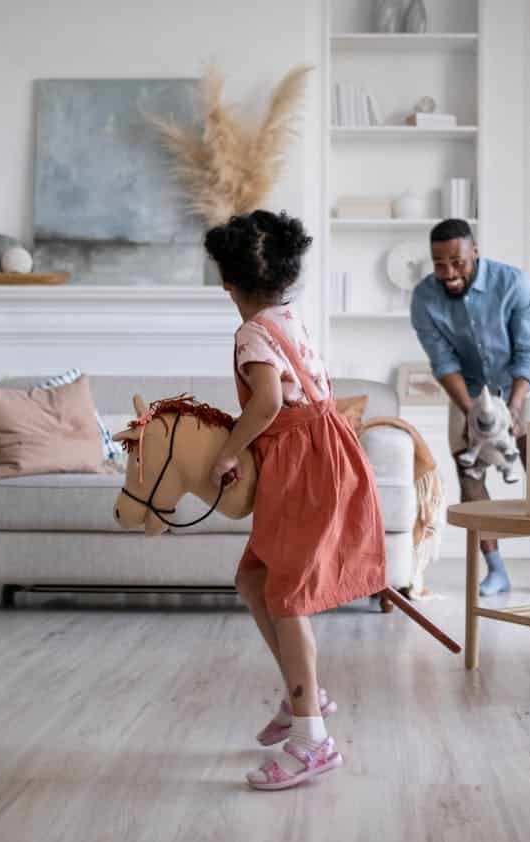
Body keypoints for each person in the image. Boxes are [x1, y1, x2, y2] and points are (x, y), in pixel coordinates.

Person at [206, 209, 386, 791]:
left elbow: (263, 406)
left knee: (285, 598)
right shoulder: (288, 318)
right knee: (255, 579)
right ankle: (300, 692)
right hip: (319, 456)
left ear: (227, 285)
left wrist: (231, 452)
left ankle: (312, 740)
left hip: (306, 469)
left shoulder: (252, 331)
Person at [409, 218, 530, 598]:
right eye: (439, 264)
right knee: (470, 478)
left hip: (521, 388)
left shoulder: (514, 284)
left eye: (457, 262)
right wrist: (471, 412)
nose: (448, 273)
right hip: (467, 391)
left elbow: (528, 351)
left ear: (474, 251)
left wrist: (512, 408)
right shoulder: (424, 298)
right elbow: (443, 362)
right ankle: (496, 570)